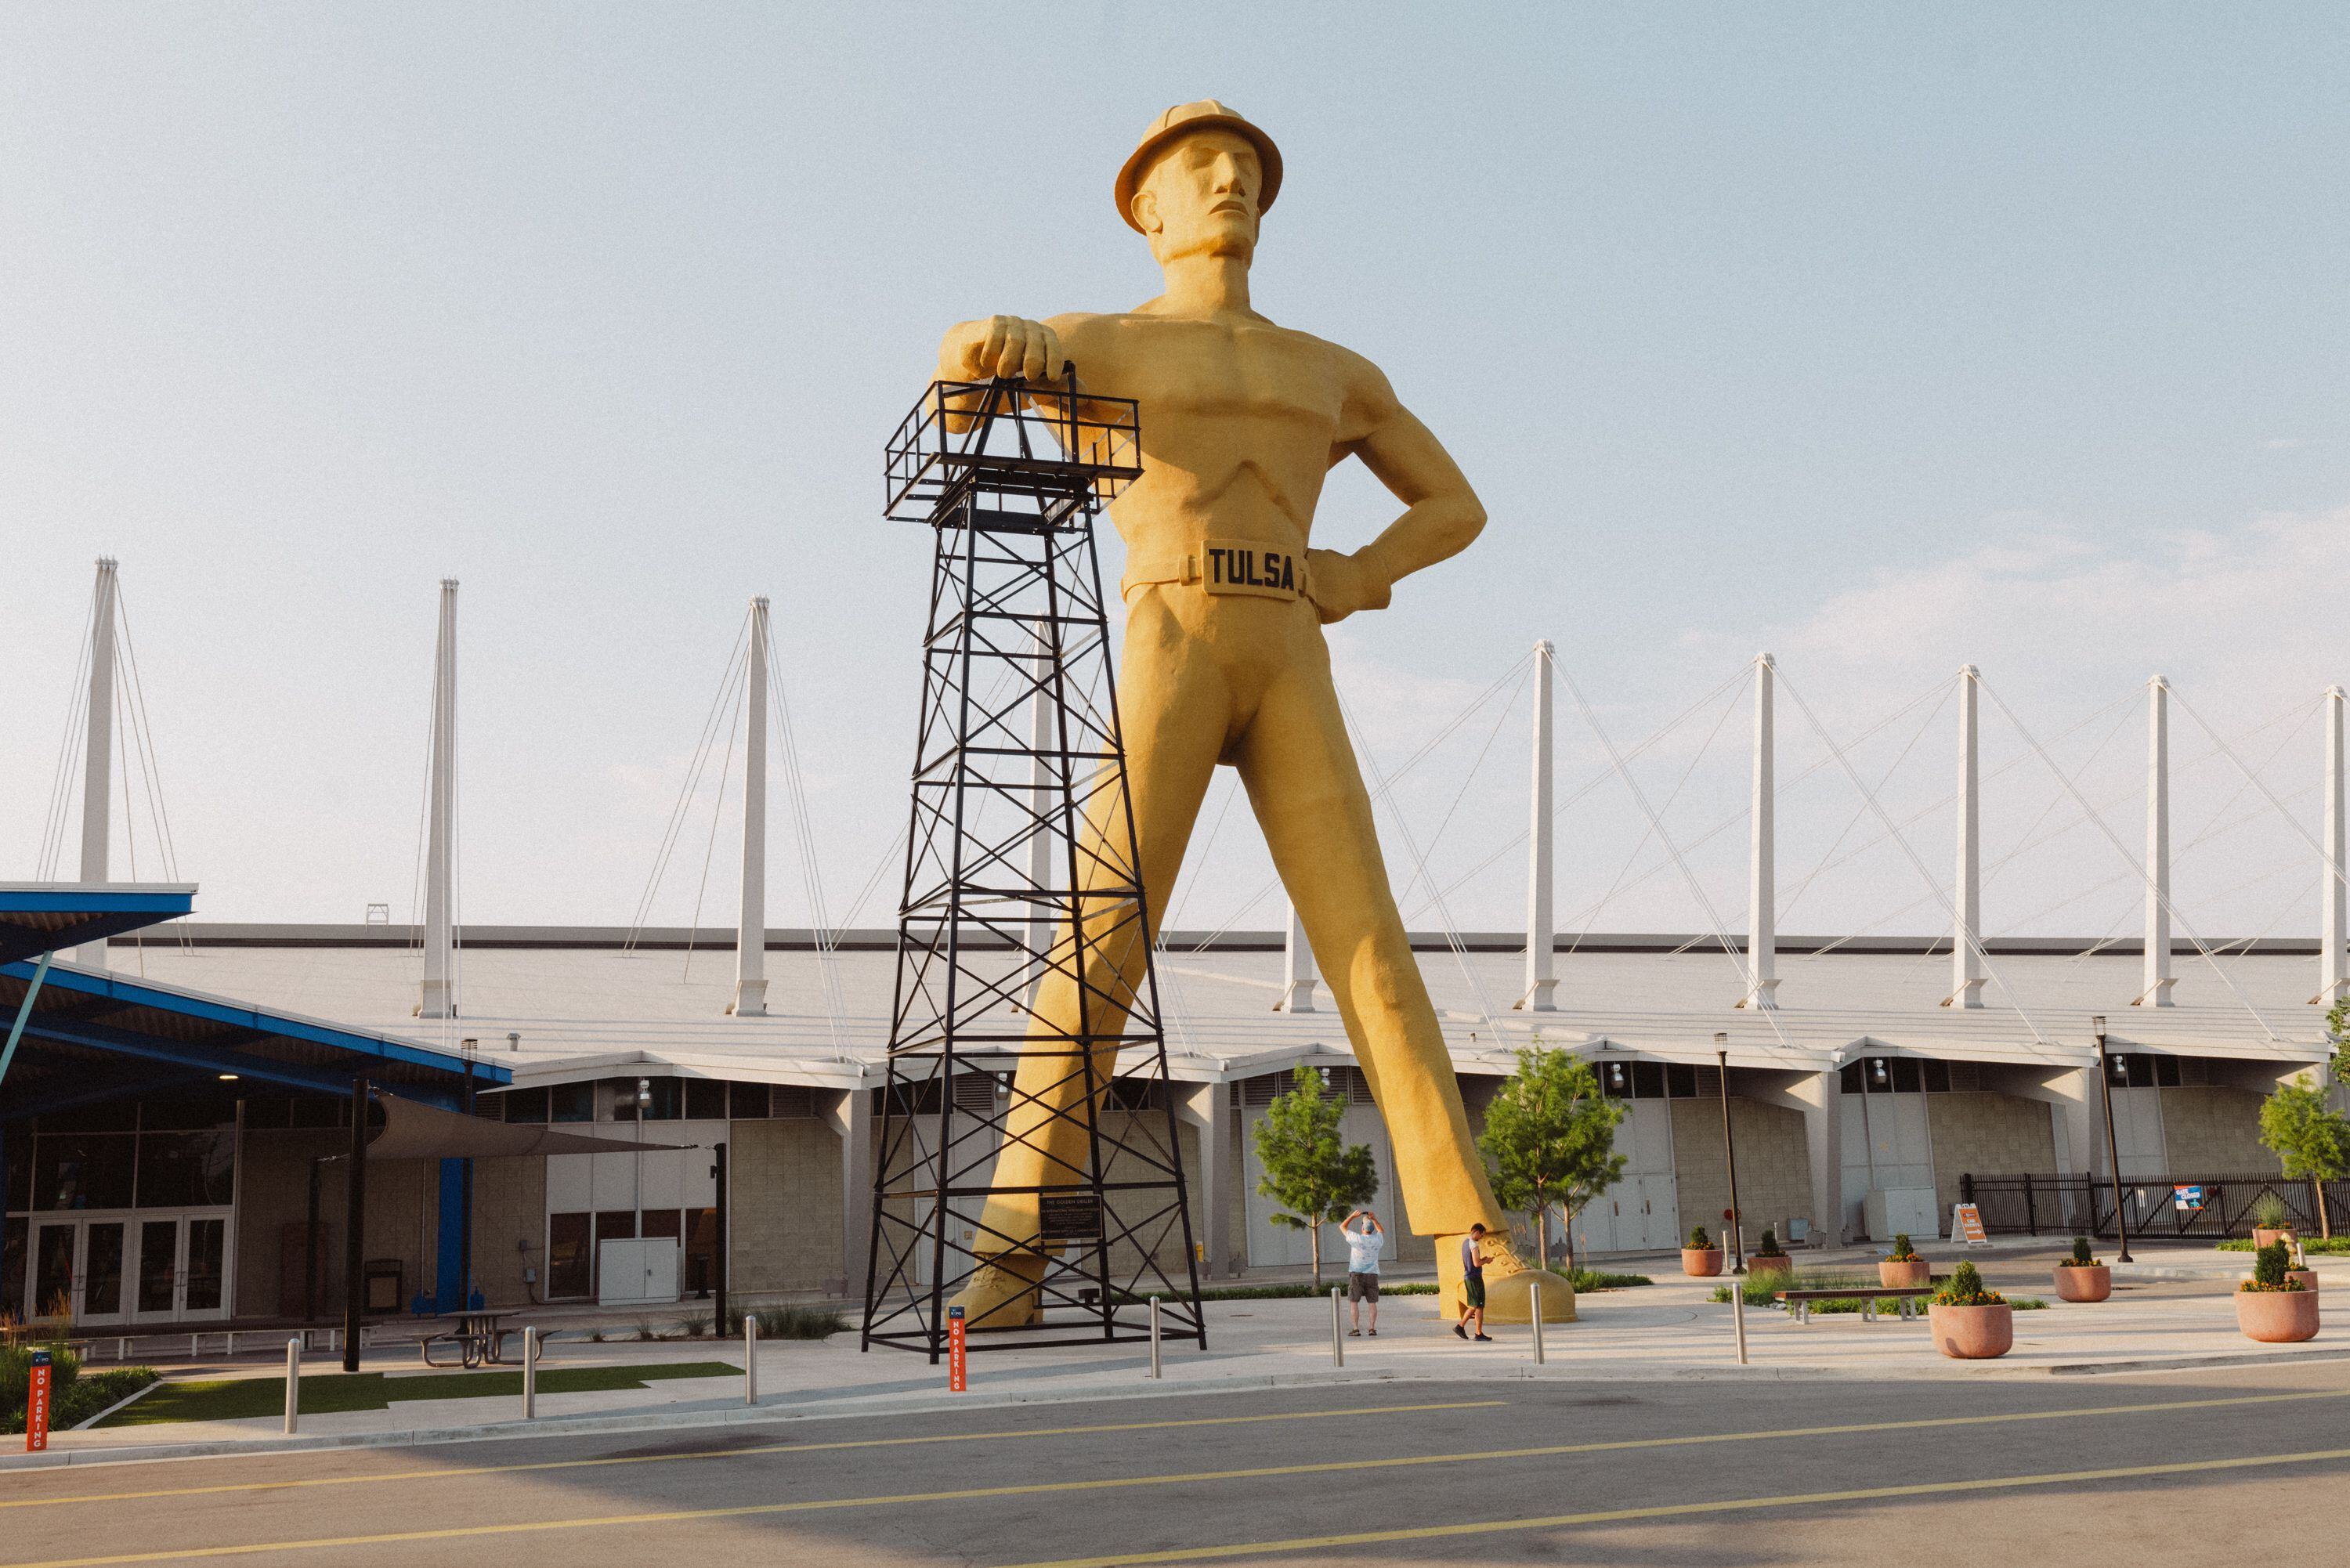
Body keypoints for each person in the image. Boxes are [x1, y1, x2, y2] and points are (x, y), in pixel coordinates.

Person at [944, 100, 1560, 1330]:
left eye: (1245, 170)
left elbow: (1456, 505)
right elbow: (965, 388)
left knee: (1372, 950)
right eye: (1199, 168)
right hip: (1171, 636)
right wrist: (979, 342)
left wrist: (1354, 573)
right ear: (1149, 207)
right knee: (1098, 939)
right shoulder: (1092, 341)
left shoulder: (1327, 370)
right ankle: (1010, 1253)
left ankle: (1470, 1238)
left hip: (1289, 651)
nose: (1227, 181)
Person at [1342, 1211, 1383, 1335]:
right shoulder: (1378, 1240)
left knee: (1354, 1302)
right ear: (1372, 1229)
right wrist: (1374, 1219)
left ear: (1362, 1227)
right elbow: (1381, 1231)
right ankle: (1372, 1328)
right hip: (1372, 1274)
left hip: (1357, 1273)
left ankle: (1355, 1328)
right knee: (1372, 1303)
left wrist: (1352, 1216)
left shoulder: (1357, 1239)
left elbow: (1342, 1227)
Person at [1453, 1223, 1492, 1342]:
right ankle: (1460, 1326)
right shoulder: (1473, 1245)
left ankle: (1478, 1332)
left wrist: (1483, 1259)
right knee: (1475, 1305)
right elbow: (1476, 1263)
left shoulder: (1465, 1243)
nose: (1481, 1237)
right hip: (1474, 1278)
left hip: (1469, 1277)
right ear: (1476, 1232)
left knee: (1479, 1306)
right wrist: (1486, 1261)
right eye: (1481, 1234)